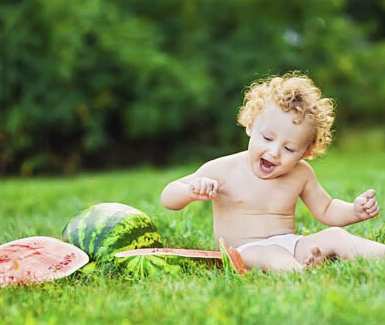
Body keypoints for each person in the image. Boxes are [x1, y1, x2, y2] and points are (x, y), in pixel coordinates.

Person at [160, 72, 381, 273]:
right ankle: (300, 273)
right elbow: (168, 197)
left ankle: (376, 256)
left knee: (335, 236)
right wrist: (190, 191)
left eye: (289, 149)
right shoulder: (223, 169)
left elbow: (326, 208)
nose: (274, 152)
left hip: (291, 244)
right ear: (250, 126)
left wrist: (354, 211)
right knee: (273, 255)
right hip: (244, 251)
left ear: (306, 152)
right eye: (267, 138)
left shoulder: (301, 173)